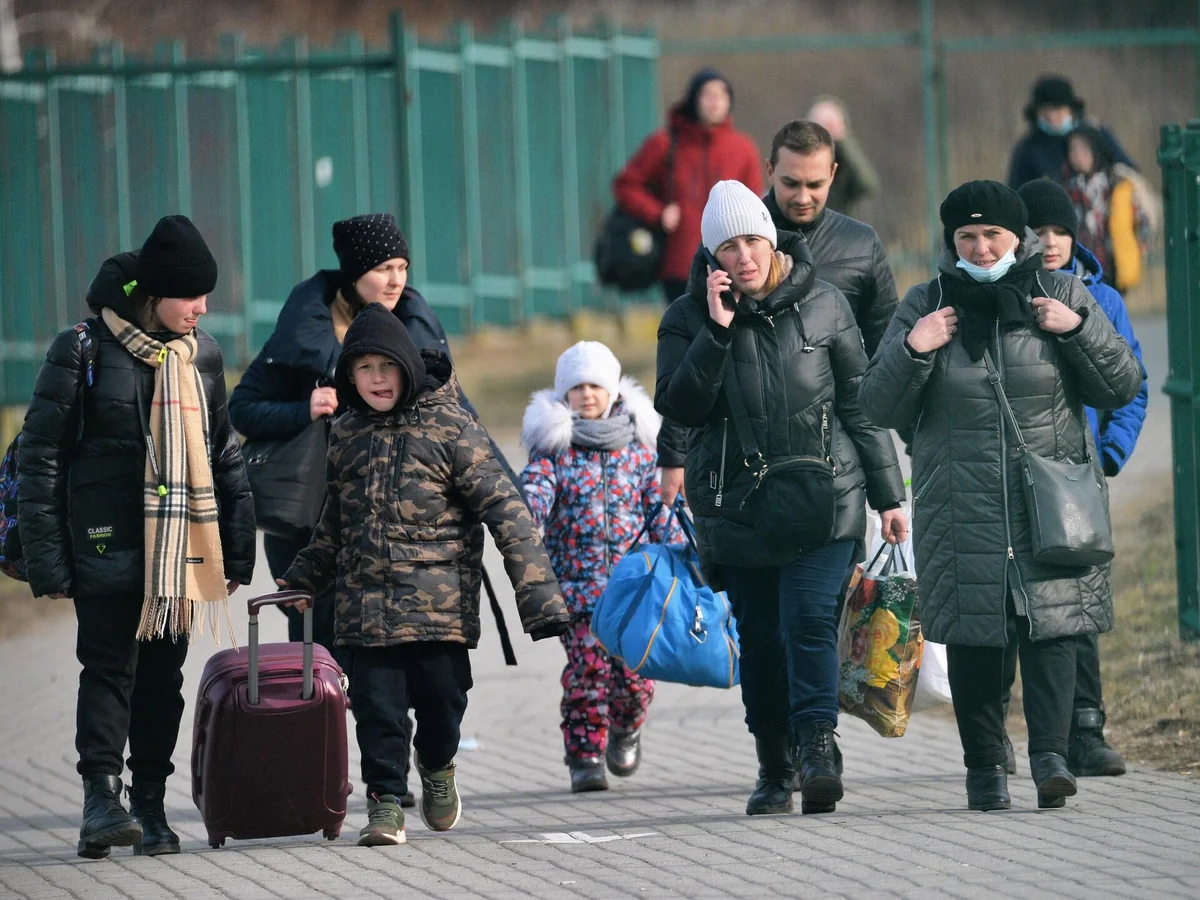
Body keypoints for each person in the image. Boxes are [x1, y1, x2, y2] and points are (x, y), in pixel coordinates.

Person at [859, 181, 1142, 812]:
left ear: (1021, 240)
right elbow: (875, 405)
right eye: (967, 237)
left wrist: (1077, 331)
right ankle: (985, 769)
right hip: (962, 503)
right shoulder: (925, 304)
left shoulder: (1062, 293)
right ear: (950, 242)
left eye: (994, 236)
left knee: (1053, 629)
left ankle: (1050, 759)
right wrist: (913, 348)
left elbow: (1122, 384)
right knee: (975, 639)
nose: (982, 248)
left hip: (1049, 501)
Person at [229, 213, 513, 808]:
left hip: (400, 531)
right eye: (384, 267)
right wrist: (305, 406)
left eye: (402, 267)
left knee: (395, 663)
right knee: (325, 656)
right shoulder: (301, 326)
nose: (395, 279)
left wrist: (508, 493)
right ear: (355, 271)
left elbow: (459, 419)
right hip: (311, 520)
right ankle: (335, 775)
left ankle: (394, 772)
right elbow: (244, 408)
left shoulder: (417, 324)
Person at [655, 180, 907, 817]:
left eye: (752, 241)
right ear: (712, 257)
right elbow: (680, 407)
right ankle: (775, 765)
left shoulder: (823, 303)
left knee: (809, 621)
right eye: (728, 247)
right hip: (736, 509)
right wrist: (716, 332)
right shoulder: (686, 318)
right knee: (762, 640)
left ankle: (820, 749)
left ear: (771, 241)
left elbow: (861, 403)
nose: (743, 256)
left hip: (826, 497)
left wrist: (889, 495)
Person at [277, 303, 569, 847]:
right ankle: (385, 802)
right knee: (375, 710)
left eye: (386, 366)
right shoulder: (346, 433)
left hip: (439, 610)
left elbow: (508, 512)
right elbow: (335, 519)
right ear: (349, 376)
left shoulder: (452, 427)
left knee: (443, 702)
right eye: (364, 368)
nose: (378, 378)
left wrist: (539, 597)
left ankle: (438, 767)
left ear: (407, 365)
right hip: (366, 611)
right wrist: (304, 576)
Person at [19, 216, 257, 858]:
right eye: (188, 296)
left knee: (161, 681)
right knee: (107, 673)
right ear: (152, 293)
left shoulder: (201, 355)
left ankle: (149, 805)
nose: (200, 309)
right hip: (105, 543)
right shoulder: (83, 348)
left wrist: (236, 546)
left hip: (179, 552)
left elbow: (223, 452)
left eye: (206, 296)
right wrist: (47, 556)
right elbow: (41, 455)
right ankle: (102, 799)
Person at [1012, 177, 1148, 777]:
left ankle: (1087, 730)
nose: (1048, 242)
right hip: (1021, 476)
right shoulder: (1010, 297)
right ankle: (1042, 733)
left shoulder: (1104, 300)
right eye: (1036, 232)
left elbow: (1132, 384)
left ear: (1075, 235)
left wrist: (1112, 451)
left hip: (1080, 476)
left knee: (1083, 605)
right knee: (1032, 608)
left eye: (1059, 231)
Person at [520, 341, 679, 794]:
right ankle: (585, 754)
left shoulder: (641, 450)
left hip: (633, 590)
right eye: (576, 387)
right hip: (577, 588)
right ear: (563, 394)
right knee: (587, 671)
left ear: (612, 390)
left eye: (595, 385)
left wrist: (681, 542)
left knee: (633, 678)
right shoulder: (555, 450)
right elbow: (535, 491)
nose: (586, 394)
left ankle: (627, 726)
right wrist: (525, 515)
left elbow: (662, 504)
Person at [613, 68, 763, 307]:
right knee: (685, 335)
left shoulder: (743, 149)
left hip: (730, 263)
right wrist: (658, 212)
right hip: (678, 264)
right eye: (707, 95)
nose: (715, 102)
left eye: (721, 95)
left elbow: (756, 203)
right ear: (693, 99)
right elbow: (625, 185)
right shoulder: (665, 143)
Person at [1061, 126, 1155, 292]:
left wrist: (1138, 252)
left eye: (1084, 148)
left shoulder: (1117, 183)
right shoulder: (1064, 188)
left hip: (1112, 266)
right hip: (1078, 269)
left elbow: (1142, 222)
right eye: (1073, 149)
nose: (1078, 155)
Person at [1007, 74, 1134, 190]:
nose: (1052, 117)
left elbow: (1128, 171)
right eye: (1046, 111)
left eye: (1058, 109)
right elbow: (1016, 191)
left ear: (1071, 109)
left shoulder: (1096, 133)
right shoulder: (1028, 148)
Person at [805, 97, 881, 220]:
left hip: (842, 227)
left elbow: (867, 185)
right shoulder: (800, 161)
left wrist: (843, 141)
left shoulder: (845, 162)